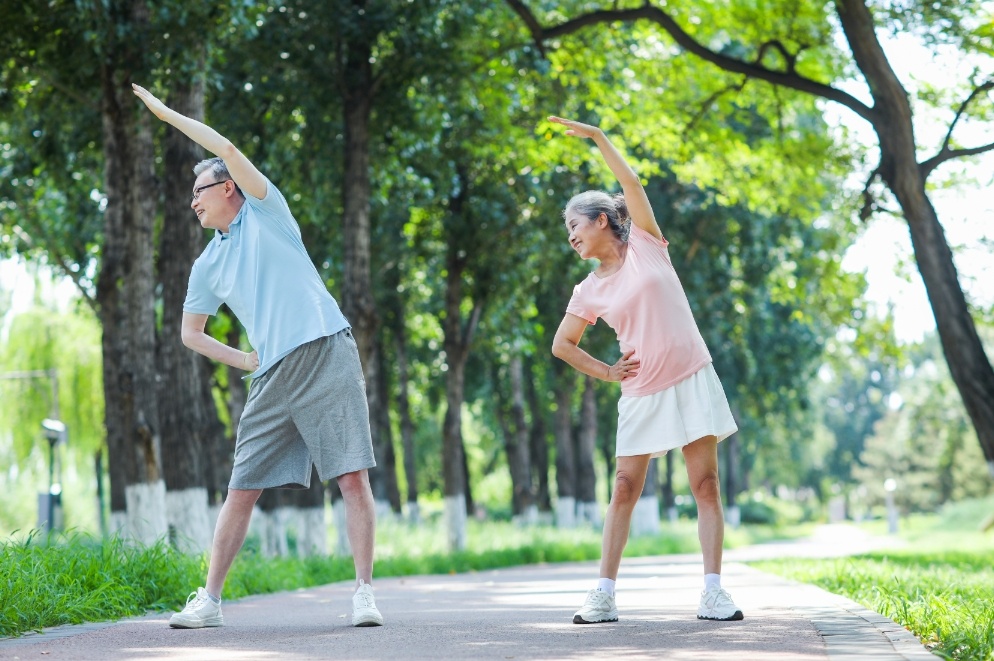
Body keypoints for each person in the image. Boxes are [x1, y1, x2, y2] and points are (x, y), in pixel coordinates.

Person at [133, 83, 383, 629]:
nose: (193, 201)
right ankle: (210, 601)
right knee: (240, 488)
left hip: (325, 351)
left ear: (229, 188)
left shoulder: (270, 213)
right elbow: (190, 334)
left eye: (199, 191)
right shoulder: (206, 265)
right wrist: (243, 360)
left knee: (352, 478)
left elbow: (224, 146)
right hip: (271, 373)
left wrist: (165, 114)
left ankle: (364, 592)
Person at [548, 115, 743, 624]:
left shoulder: (647, 246)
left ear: (602, 221)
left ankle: (713, 592)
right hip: (641, 391)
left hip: (692, 377)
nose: (570, 235)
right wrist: (608, 372)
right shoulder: (588, 289)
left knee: (705, 486)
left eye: (574, 224)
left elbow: (630, 184)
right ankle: (603, 595)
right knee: (623, 489)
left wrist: (598, 138)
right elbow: (562, 345)